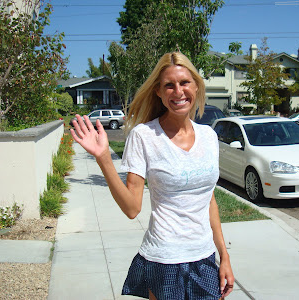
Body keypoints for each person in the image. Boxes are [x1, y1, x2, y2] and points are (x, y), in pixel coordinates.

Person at [70, 52, 234, 299]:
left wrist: (225, 256)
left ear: (197, 86)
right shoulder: (144, 136)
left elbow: (209, 202)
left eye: (184, 83)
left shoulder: (209, 137)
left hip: (205, 258)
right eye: (169, 85)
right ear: (158, 91)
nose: (178, 91)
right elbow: (131, 209)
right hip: (164, 260)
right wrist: (103, 157)